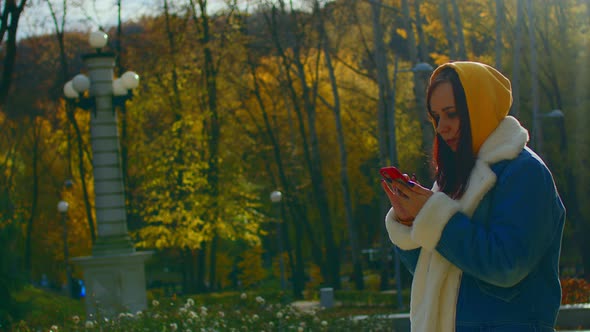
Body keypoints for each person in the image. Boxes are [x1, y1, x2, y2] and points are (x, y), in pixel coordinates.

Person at [381, 61, 566, 331]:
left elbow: (507, 265)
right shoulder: (456, 176)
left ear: (479, 110)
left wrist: (437, 218)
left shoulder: (525, 173)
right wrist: (412, 220)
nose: (441, 127)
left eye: (452, 114)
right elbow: (432, 271)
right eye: (436, 117)